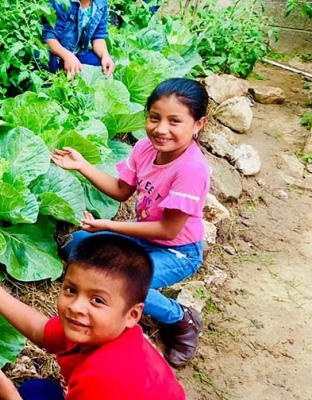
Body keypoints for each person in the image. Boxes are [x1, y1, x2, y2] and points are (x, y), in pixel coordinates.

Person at [52, 78, 210, 367]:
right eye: (154, 118)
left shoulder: (191, 169)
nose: (161, 129)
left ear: (198, 124)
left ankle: (182, 319)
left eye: (175, 121)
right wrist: (82, 166)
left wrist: (109, 226)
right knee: (76, 246)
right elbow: (122, 190)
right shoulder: (145, 149)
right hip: (142, 239)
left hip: (177, 250)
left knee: (133, 288)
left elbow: (168, 229)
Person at [0, 235, 185, 399]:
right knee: (36, 391)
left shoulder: (103, 377)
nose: (76, 306)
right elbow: (42, 331)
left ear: (132, 315)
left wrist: (10, 397)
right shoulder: (97, 329)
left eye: (98, 300)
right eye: (71, 290)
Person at [42, 0, 115, 78]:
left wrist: (105, 55)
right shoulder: (62, 2)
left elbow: (98, 36)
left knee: (101, 65)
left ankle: (72, 79)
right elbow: (49, 36)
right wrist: (67, 56)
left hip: (78, 53)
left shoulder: (101, 2)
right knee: (42, 56)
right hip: (57, 52)